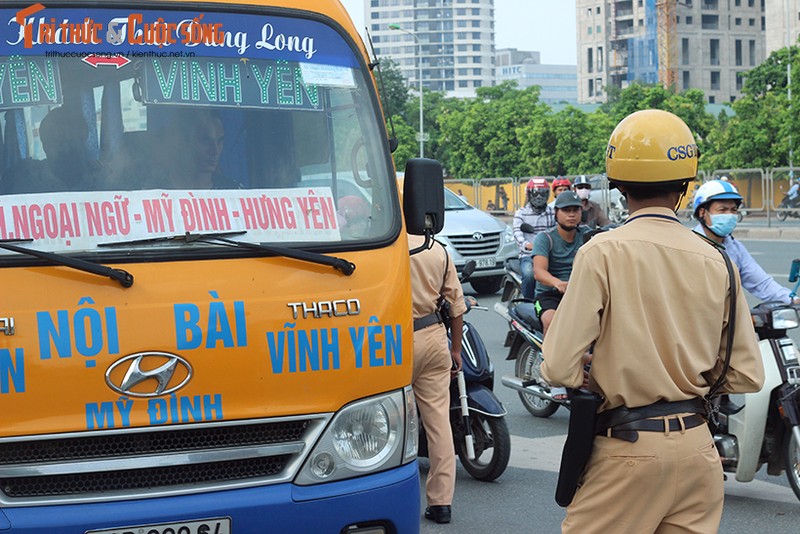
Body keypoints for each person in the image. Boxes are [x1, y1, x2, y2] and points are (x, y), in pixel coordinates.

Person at [541, 109, 764, 533]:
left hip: (627, 449)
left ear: (617, 185)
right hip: (700, 452)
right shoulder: (717, 260)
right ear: (685, 187)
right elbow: (745, 374)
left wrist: (597, 368)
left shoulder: (601, 253)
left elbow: (557, 366)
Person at [408, 233, 466, 525]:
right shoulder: (437, 249)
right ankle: (441, 503)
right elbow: (457, 306)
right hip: (433, 337)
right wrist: (455, 348)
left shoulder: (384, 244)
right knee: (439, 423)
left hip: (391, 340)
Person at [692, 179, 800, 304]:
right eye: (722, 210)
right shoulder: (689, 246)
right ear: (702, 213)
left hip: (730, 319)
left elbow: (761, 283)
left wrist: (793, 299)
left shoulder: (734, 247)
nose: (729, 215)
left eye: (733, 210)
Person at [533, 191, 588, 400]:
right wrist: (558, 283)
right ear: (556, 213)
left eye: (575, 210)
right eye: (566, 210)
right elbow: (539, 272)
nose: (571, 215)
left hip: (581, 294)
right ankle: (553, 376)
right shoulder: (545, 238)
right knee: (551, 320)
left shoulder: (587, 236)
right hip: (548, 296)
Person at [513, 177, 556, 300]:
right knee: (529, 273)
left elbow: (558, 230)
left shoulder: (553, 213)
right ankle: (528, 303)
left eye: (542, 193)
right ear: (529, 194)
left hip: (550, 253)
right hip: (528, 255)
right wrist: (526, 244)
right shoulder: (521, 213)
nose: (539, 197)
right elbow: (517, 233)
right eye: (535, 193)